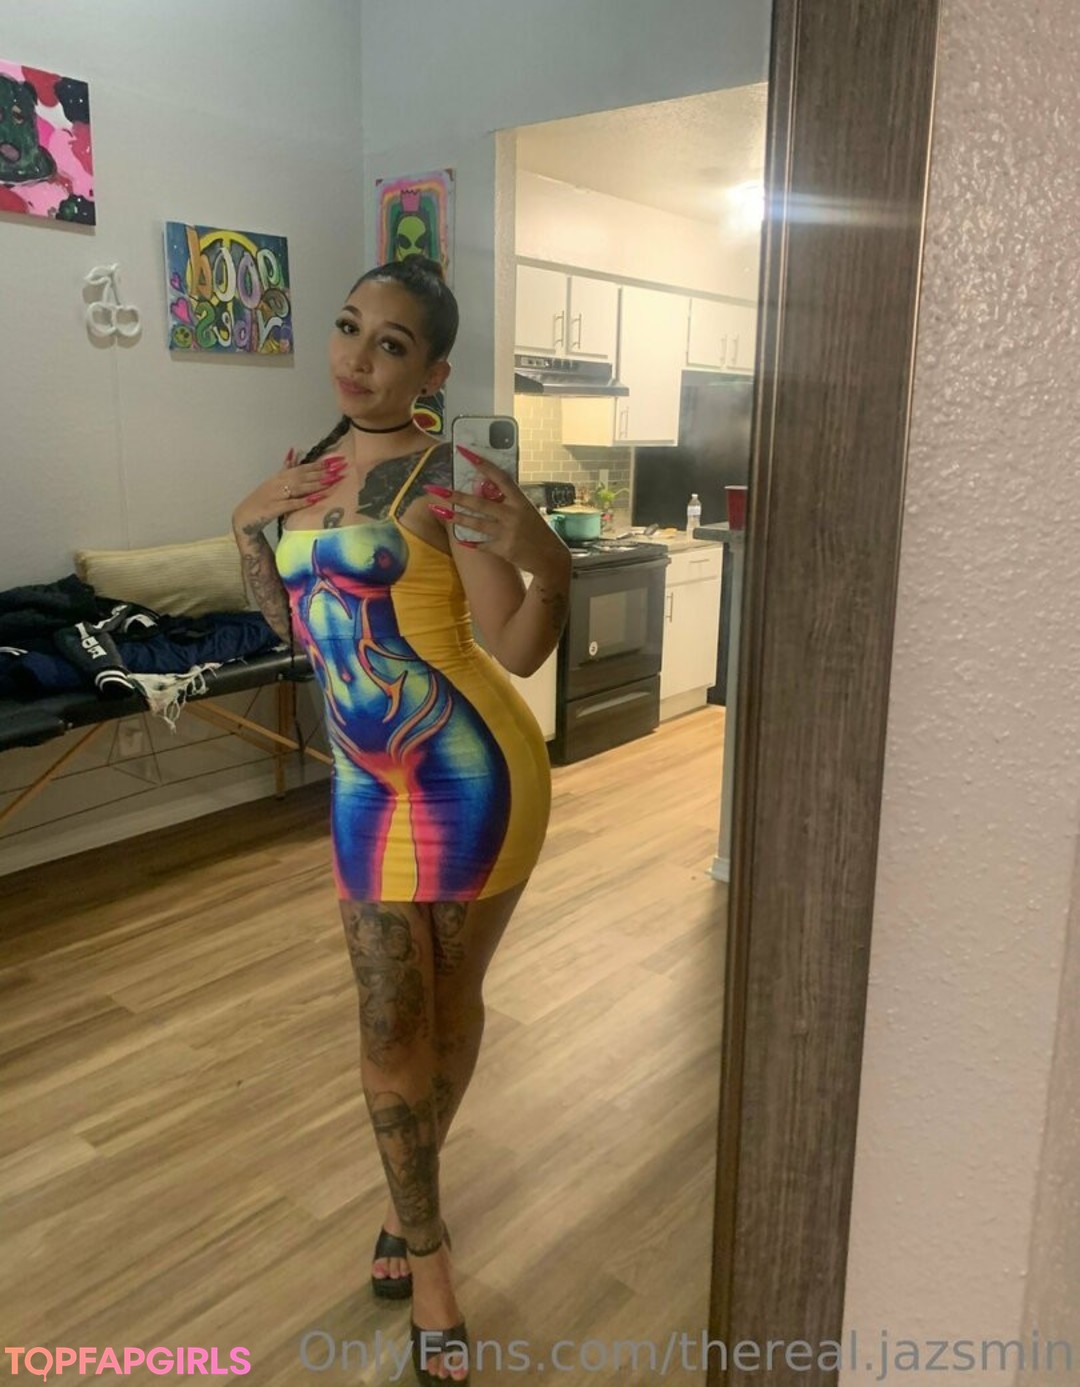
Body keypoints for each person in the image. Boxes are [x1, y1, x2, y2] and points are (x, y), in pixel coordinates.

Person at [231, 256, 571, 1385]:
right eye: (348, 328)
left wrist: (548, 559)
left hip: (473, 776)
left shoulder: (450, 477)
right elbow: (294, 630)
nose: (358, 357)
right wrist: (246, 525)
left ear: (433, 370)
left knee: (447, 1009)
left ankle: (404, 1208)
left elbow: (517, 649)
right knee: (391, 1031)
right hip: (366, 787)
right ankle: (430, 1254)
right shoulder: (307, 474)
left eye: (391, 343)